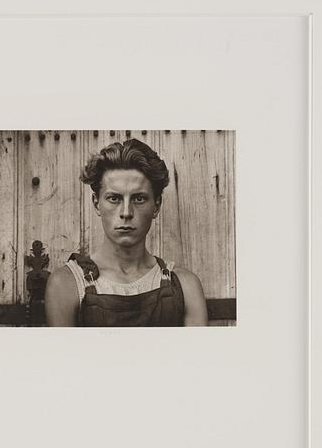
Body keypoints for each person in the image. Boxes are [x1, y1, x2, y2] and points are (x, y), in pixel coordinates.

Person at [45, 139, 208, 327]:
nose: (126, 212)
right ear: (96, 203)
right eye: (114, 198)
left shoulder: (185, 286)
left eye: (139, 198)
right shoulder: (67, 285)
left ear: (156, 206)